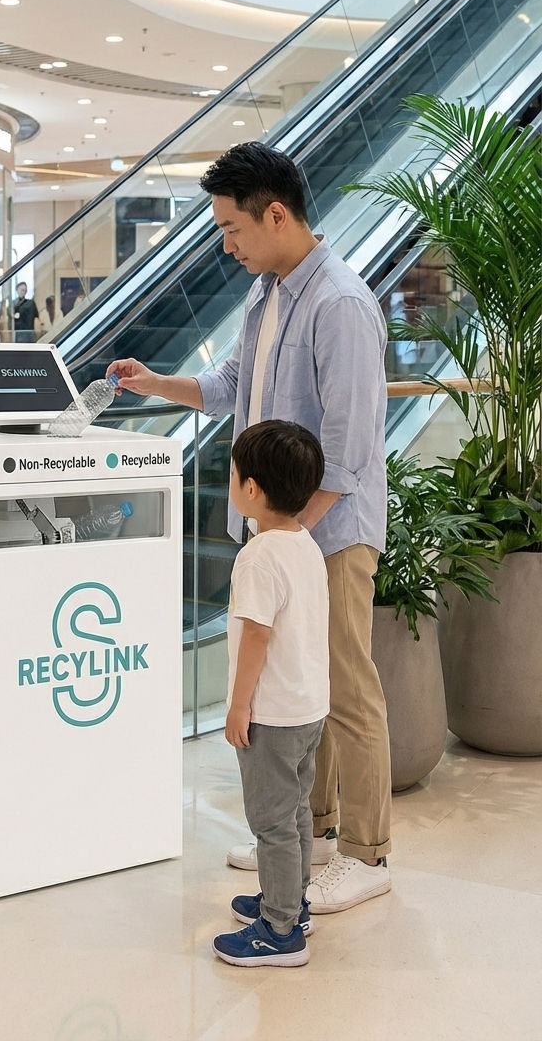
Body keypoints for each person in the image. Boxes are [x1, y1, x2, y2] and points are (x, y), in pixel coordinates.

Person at [107, 142, 391, 914]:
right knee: (299, 688)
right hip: (281, 533)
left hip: (330, 533)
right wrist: (152, 380)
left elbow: (353, 448)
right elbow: (232, 385)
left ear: (276, 214)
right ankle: (313, 832)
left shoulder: (340, 303)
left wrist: (292, 538)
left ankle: (367, 852)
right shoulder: (268, 294)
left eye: (232, 229)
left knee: (346, 686)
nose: (225, 245)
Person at [211, 420, 328, 968]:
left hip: (273, 716)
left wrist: (238, 706)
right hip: (308, 708)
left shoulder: (257, 557)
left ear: (252, 489)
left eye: (233, 474)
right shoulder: (304, 543)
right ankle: (292, 902)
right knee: (296, 811)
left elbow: (256, 635)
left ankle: (280, 931)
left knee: (272, 822)